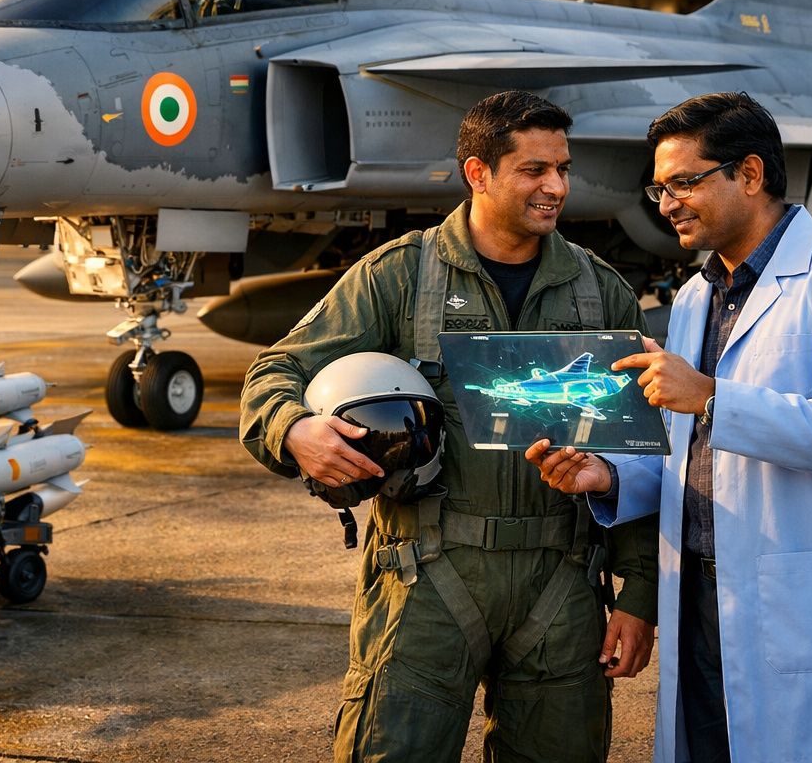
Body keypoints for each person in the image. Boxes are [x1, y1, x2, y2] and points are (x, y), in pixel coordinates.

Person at [241, 90, 660, 763]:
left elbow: (636, 453)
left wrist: (640, 595)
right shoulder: (401, 276)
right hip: (426, 577)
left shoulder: (599, 291)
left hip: (562, 582)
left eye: (563, 168)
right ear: (478, 173)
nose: (556, 186)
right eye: (534, 170)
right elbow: (275, 374)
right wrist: (294, 430)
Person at [527, 92, 812, 763]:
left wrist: (712, 395)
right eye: (660, 189)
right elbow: (692, 450)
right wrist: (610, 475)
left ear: (749, 174)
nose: (669, 203)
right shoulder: (695, 297)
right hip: (703, 602)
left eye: (684, 182)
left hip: (804, 606)